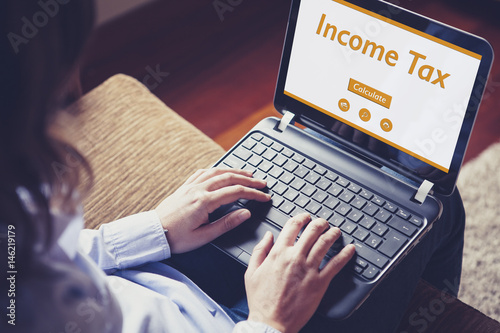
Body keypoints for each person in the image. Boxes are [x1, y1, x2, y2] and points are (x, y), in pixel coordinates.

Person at [0, 1, 465, 333]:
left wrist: (153, 229)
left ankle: (342, 130)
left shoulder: (15, 213)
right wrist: (269, 320)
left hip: (167, 282)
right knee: (438, 199)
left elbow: (53, 256)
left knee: (362, 159)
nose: (75, 90)